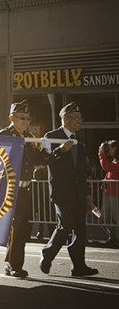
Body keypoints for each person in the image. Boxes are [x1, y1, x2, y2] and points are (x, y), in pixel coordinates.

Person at [40, 102, 99, 277]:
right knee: (65, 225)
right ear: (65, 118)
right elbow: (46, 160)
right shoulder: (51, 136)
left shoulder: (79, 138)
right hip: (62, 191)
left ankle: (78, 266)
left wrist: (87, 193)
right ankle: (48, 254)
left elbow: (81, 170)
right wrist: (60, 150)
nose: (79, 121)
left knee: (80, 230)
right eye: (75, 118)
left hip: (78, 192)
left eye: (80, 118)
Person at [0, 101, 49, 277]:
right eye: (22, 118)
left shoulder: (29, 138)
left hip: (26, 188)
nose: (26, 121)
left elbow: (40, 161)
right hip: (10, 189)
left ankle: (16, 263)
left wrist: (51, 150)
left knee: (24, 228)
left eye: (28, 118)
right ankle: (12, 264)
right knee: (15, 228)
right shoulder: (4, 135)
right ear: (11, 118)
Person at [99, 140, 119, 247]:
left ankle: (116, 238)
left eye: (110, 148)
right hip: (108, 192)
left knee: (116, 217)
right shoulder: (114, 161)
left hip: (115, 193)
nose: (108, 150)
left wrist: (101, 154)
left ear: (116, 148)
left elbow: (107, 167)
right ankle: (113, 236)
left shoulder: (117, 163)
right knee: (104, 217)